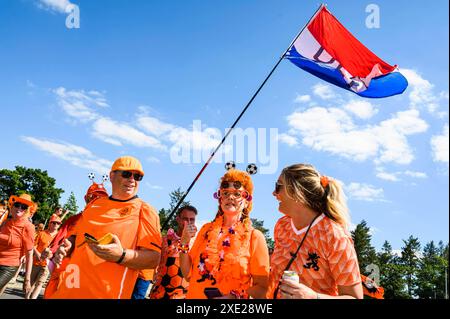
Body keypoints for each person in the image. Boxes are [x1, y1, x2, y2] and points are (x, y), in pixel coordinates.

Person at [50, 156, 162, 299]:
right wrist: (66, 246)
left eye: (137, 176)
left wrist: (121, 255)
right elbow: (75, 236)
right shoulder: (93, 205)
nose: (132, 180)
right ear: (112, 176)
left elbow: (154, 259)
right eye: (127, 174)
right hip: (67, 291)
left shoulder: (145, 211)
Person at [267, 163, 363, 299]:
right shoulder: (282, 225)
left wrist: (314, 297)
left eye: (278, 186)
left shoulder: (334, 235)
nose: (274, 193)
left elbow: (355, 297)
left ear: (296, 191)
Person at [180, 168, 270, 299]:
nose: (230, 197)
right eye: (225, 193)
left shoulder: (254, 237)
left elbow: (262, 289)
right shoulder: (206, 230)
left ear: (246, 201)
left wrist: (235, 296)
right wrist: (184, 242)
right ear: (220, 199)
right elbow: (187, 275)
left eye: (237, 194)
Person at [43, 177, 109, 299]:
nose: (97, 200)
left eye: (101, 197)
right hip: (67, 270)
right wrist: (50, 252)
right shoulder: (74, 219)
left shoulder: (108, 223)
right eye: (93, 196)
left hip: (90, 275)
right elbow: (58, 240)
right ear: (86, 198)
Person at [149, 205, 198, 299]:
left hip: (185, 295)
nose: (188, 222)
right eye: (185, 219)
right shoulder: (164, 240)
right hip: (160, 293)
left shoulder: (197, 243)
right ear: (178, 219)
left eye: (192, 219)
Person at [0, 194, 35, 297]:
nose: (20, 208)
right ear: (12, 206)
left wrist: (27, 279)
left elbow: (29, 255)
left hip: (9, 266)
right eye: (17, 205)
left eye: (23, 207)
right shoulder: (5, 222)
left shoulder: (28, 227)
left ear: (26, 210)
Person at [27, 214, 61, 299]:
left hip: (47, 264)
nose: (55, 225)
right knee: (30, 283)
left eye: (58, 223)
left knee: (40, 283)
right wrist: (38, 254)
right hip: (36, 262)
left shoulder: (59, 237)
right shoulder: (42, 233)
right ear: (49, 223)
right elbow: (33, 245)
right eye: (53, 223)